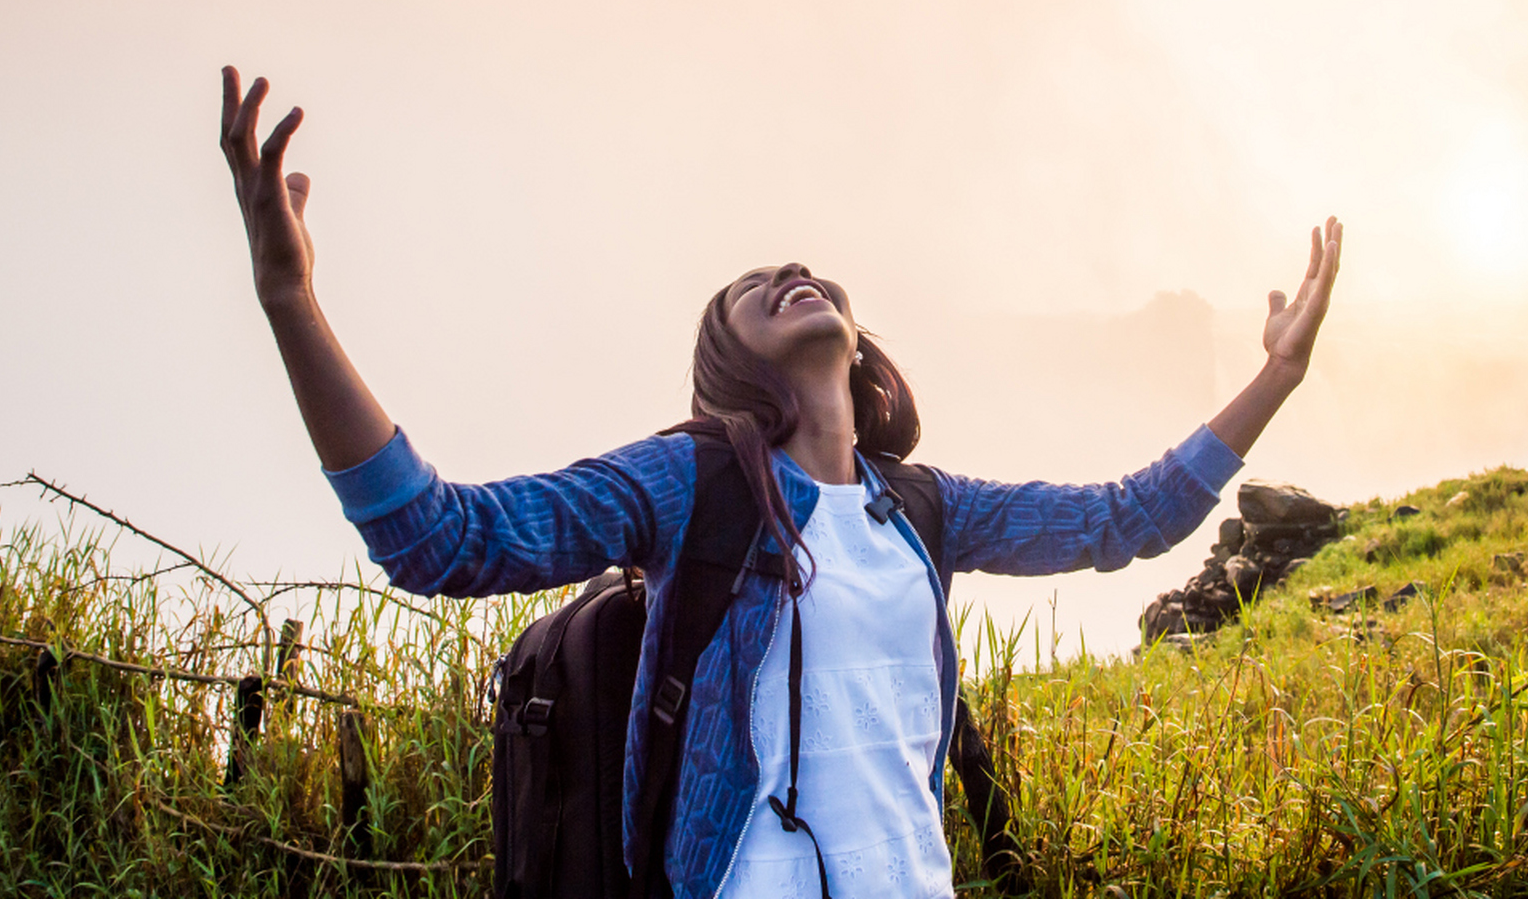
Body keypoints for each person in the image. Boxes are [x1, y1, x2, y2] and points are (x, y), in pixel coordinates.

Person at [219, 67, 1342, 899]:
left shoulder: (921, 509)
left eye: (804, 270)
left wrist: (1274, 374)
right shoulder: (691, 481)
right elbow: (439, 537)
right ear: (730, 362)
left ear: (856, 341)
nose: (791, 272)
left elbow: (1124, 518)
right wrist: (291, 303)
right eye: (754, 284)